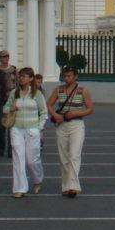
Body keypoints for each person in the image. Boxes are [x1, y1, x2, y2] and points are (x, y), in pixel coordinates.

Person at [47, 65, 94, 198]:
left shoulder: (83, 91)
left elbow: (90, 109)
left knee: (74, 155)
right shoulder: (58, 90)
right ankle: (66, 186)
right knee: (64, 157)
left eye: (69, 76)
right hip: (61, 125)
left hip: (77, 125)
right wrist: (55, 115)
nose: (66, 78)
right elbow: (49, 104)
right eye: (65, 76)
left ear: (75, 76)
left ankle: (73, 186)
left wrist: (75, 113)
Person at [6, 66, 47, 198]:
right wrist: (10, 109)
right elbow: (5, 108)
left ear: (30, 79)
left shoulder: (37, 94)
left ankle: (37, 180)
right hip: (16, 129)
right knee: (18, 158)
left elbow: (44, 112)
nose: (21, 78)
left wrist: (39, 128)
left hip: (32, 129)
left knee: (32, 160)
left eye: (24, 76)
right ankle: (20, 188)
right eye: (20, 76)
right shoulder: (14, 93)